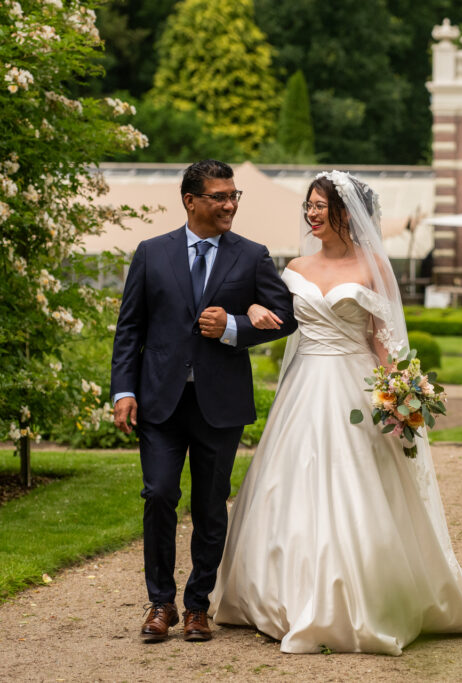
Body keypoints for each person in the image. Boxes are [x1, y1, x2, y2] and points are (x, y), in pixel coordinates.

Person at [209, 171, 462, 654]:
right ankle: (278, 594)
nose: (312, 213)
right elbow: (278, 320)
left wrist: (399, 399)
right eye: (309, 205)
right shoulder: (295, 267)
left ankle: (369, 595)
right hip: (303, 388)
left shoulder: (374, 268)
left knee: (360, 484)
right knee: (289, 482)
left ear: (348, 213)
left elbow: (384, 342)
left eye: (321, 205)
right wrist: (255, 317)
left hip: (356, 386)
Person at [110, 159, 297, 643]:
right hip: (160, 401)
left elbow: (286, 316)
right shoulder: (151, 253)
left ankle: (197, 606)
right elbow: (131, 328)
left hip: (220, 403)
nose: (230, 204)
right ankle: (160, 603)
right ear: (191, 200)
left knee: (210, 505)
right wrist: (124, 390)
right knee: (158, 495)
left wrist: (234, 327)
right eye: (219, 196)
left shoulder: (252, 255)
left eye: (234, 196)